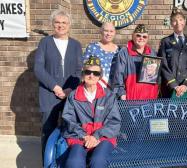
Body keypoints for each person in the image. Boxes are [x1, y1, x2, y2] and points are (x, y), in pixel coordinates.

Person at [33, 9, 82, 160]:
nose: (60, 25)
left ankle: (65, 160)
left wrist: (69, 89)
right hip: (49, 95)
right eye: (57, 22)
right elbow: (38, 68)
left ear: (69, 25)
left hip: (70, 95)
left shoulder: (76, 45)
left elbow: (79, 70)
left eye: (64, 23)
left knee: (70, 130)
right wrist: (55, 87)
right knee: (48, 130)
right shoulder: (45, 43)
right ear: (52, 24)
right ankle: (48, 162)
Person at [62, 56, 121, 168]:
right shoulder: (73, 96)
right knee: (74, 162)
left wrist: (96, 136)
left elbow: (114, 122)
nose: (91, 75)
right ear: (83, 74)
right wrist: (84, 136)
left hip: (103, 137)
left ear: (100, 77)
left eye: (96, 73)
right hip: (79, 137)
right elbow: (68, 120)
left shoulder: (108, 96)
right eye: (88, 72)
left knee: (98, 161)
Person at [110, 24, 159, 100]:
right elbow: (118, 75)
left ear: (148, 38)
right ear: (133, 36)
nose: (141, 38)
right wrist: (121, 93)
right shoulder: (124, 52)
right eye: (138, 36)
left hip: (149, 97)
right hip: (130, 97)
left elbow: (154, 77)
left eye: (144, 36)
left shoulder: (152, 53)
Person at [158, 7, 187, 98]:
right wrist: (175, 86)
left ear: (184, 21)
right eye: (174, 20)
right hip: (170, 89)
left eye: (180, 20)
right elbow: (163, 66)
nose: (178, 23)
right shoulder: (165, 42)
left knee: (186, 112)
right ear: (171, 23)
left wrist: (185, 85)